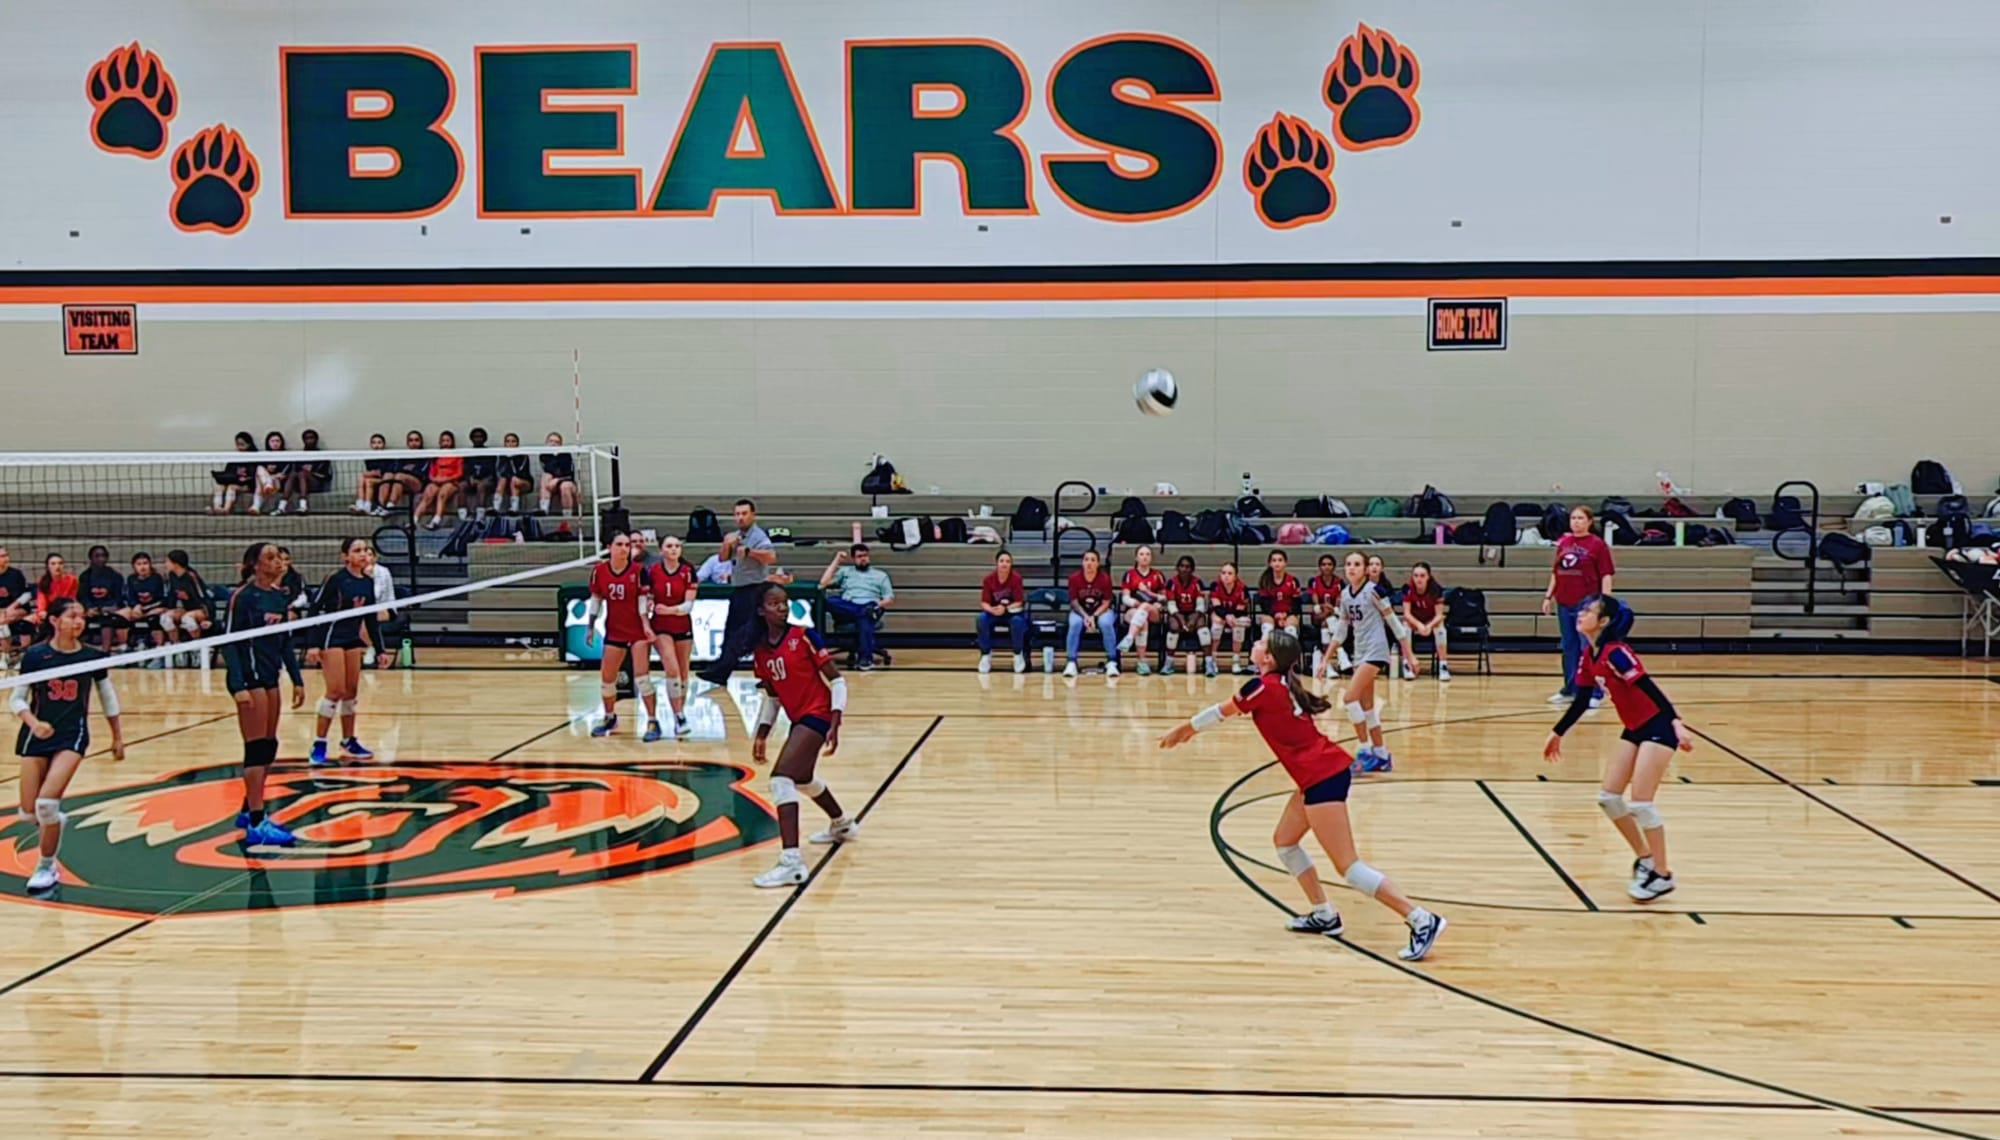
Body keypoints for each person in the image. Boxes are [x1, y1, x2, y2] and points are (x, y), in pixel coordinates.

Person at [1158, 629, 1445, 960]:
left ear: (1269, 658)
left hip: (1322, 776)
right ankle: (1324, 914)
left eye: (1261, 643)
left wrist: (1184, 729)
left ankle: (1421, 919)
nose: (1255, 643)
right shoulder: (1280, 684)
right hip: (1316, 774)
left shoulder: (1263, 687)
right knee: (1285, 842)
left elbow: (1221, 712)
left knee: (1348, 867)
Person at [1544, 594, 1689, 901]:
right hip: (1634, 728)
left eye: (1588, 611)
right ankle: (1646, 859)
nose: (1580, 613)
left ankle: (1662, 875)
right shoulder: (1590, 655)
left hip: (1658, 727)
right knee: (1609, 798)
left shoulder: (1617, 653)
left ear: (1604, 621)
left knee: (1641, 803)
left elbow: (1649, 688)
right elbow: (1582, 700)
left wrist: (1676, 721)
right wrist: (1558, 732)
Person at [10, 597, 125, 895]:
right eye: (72, 616)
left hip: (72, 735)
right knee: (28, 812)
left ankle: (46, 866)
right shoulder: (36, 656)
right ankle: (53, 824)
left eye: (82, 616)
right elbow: (16, 699)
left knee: (46, 805)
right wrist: (34, 723)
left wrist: (117, 737)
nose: (79, 622)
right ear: (54, 621)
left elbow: (108, 697)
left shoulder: (92, 656)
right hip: (36, 734)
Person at [747, 582, 855, 888]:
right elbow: (772, 697)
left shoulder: (804, 636)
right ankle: (841, 824)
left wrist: (836, 718)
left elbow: (837, 680)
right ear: (761, 610)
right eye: (774, 603)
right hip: (800, 718)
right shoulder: (761, 651)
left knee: (780, 780)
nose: (782, 607)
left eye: (785, 602)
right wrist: (762, 733)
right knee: (803, 779)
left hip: (818, 713)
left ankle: (791, 863)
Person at [222, 541, 307, 848]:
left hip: (271, 678)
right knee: (256, 749)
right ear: (256, 565)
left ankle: (248, 810)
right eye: (270, 557)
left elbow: (285, 642)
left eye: (279, 557)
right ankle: (257, 823)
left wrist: (297, 679)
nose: (278, 561)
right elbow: (229, 643)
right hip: (250, 679)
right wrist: (238, 686)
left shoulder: (279, 596)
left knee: (270, 746)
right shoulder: (243, 597)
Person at [1324, 551, 1417, 774]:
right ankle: (1382, 755)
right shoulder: (1345, 595)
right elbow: (1341, 630)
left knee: (1349, 698)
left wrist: (1410, 655)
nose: (1351, 568)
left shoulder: (1374, 591)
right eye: (1348, 564)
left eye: (1357, 564)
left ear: (1365, 569)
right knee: (1368, 708)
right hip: (1360, 650)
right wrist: (1325, 659)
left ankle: (1365, 751)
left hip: (1376, 650)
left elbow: (1394, 623)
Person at [305, 537, 382, 766]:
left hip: (352, 638)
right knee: (336, 690)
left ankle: (349, 740)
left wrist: (380, 649)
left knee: (351, 691)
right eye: (357, 550)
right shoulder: (335, 579)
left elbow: (371, 618)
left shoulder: (367, 582)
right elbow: (314, 609)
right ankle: (319, 742)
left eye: (365, 550)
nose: (363, 554)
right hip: (331, 637)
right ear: (345, 556)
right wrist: (313, 644)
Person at [583, 532, 662, 740]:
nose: (624, 548)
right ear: (609, 547)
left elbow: (642, 602)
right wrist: (590, 626)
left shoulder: (638, 571)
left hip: (637, 632)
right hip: (614, 630)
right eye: (619, 544)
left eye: (627, 545)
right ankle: (610, 717)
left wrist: (646, 625)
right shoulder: (599, 571)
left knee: (642, 679)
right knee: (607, 679)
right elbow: (596, 599)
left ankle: (653, 721)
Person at [695, 500, 779, 687]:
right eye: (737, 514)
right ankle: (723, 671)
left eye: (744, 513)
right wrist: (727, 544)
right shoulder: (736, 536)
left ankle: (726, 671)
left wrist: (749, 552)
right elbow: (722, 558)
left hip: (755, 589)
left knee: (746, 635)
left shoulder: (758, 536)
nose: (740, 517)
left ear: (753, 515)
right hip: (740, 589)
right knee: (738, 632)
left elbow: (771, 557)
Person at [1542, 505, 1615, 707]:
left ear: (1589, 521)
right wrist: (1548, 597)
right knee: (1569, 647)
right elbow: (1556, 573)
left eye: (1580, 518)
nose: (1576, 522)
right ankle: (1570, 689)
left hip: (1587, 604)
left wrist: (1605, 603)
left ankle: (1594, 693)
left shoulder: (1597, 545)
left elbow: (1606, 575)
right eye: (1573, 518)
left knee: (1588, 648)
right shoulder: (1564, 543)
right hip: (1564, 602)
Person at [645, 534, 698, 736]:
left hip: (683, 626)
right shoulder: (653, 571)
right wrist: (649, 602)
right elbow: (648, 595)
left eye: (677, 546)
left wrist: (669, 610)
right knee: (672, 668)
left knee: (683, 673)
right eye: (669, 546)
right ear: (661, 550)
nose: (674, 549)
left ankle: (679, 715)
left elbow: (688, 605)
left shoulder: (687, 571)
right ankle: (678, 715)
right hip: (661, 627)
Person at [819, 543, 895, 671]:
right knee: (829, 601)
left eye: (865, 556)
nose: (863, 559)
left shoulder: (880, 575)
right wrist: (837, 560)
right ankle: (866, 658)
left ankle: (865, 659)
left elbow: (889, 598)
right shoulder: (845, 572)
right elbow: (823, 583)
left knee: (866, 613)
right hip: (848, 606)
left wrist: (878, 605)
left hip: (870, 605)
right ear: (854, 559)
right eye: (859, 556)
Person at [1063, 549, 1118, 679]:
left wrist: (1095, 616)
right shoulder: (1074, 578)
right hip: (1080, 611)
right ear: (1082, 562)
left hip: (1101, 611)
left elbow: (1106, 602)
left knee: (1106, 623)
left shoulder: (1105, 579)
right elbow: (1074, 602)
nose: (1089, 563)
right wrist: (1085, 616)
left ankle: (1111, 661)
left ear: (1098, 563)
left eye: (1093, 560)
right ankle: (1071, 662)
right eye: (1086, 560)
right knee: (1075, 623)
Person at [1366, 553, 1420, 681]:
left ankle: (1405, 664)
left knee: (1398, 632)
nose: (1374, 567)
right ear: (1366, 568)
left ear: (1382, 568)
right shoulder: (1361, 585)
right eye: (1371, 564)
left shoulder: (1386, 585)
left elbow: (1389, 608)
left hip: (1384, 621)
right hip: (1365, 623)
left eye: (1377, 564)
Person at [976, 550, 1030, 675]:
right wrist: (992, 610)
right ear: (996, 564)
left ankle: (1017, 654)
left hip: (1012, 612)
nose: (1004, 564)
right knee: (981, 619)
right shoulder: (988, 580)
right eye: (1001, 561)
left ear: (1011, 564)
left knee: (1018, 622)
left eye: (1008, 561)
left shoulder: (1016, 579)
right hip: (994, 612)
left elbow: (1019, 602)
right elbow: (984, 603)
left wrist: (1005, 609)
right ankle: (985, 655)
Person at [1117, 545, 1166, 675]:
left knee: (1145, 607)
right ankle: (1142, 661)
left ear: (1151, 558)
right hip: (1134, 610)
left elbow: (1164, 597)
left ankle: (1129, 637)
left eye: (1147, 554)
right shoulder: (1130, 574)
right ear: (1136, 557)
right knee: (1142, 620)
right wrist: (1135, 603)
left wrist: (1149, 593)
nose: (1145, 557)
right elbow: (1125, 598)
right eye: (1141, 554)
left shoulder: (1157, 575)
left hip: (1153, 611)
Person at [1401, 561, 1452, 682]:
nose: (1418, 579)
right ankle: (1407, 664)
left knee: (1440, 628)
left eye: (1422, 576)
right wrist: (1419, 625)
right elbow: (1407, 614)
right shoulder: (1408, 588)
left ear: (1428, 576)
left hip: (1431, 620)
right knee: (1404, 627)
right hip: (1415, 620)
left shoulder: (1436, 589)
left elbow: (1439, 615)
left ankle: (1443, 666)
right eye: (1416, 575)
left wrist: (1428, 626)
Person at [160, 549, 212, 666]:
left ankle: (197, 650)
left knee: (187, 619)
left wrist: (209, 618)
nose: (165, 564)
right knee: (165, 618)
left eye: (167, 561)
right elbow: (172, 595)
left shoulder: (191, 576)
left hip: (201, 609)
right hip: (187, 609)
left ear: (176, 563)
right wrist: (169, 609)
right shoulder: (172, 575)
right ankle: (177, 649)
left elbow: (203, 596)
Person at [117, 553, 170, 660]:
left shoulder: (157, 578)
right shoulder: (131, 579)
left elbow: (162, 599)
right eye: (139, 564)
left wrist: (145, 610)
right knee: (118, 617)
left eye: (145, 563)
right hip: (137, 609)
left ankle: (159, 653)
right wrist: (136, 606)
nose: (142, 567)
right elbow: (129, 597)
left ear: (150, 565)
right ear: (134, 566)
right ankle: (123, 649)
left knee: (154, 618)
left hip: (154, 608)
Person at [1163, 555, 1208, 677]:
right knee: (1174, 626)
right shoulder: (1172, 582)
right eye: (1182, 566)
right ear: (1177, 568)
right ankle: (1169, 663)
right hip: (1177, 612)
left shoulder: (1197, 582)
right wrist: (1181, 621)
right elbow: (1171, 606)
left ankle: (1209, 663)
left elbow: (1200, 605)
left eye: (1188, 567)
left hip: (1194, 612)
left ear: (1192, 569)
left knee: (1202, 627)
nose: (1184, 569)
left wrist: (1193, 620)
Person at [76, 545, 126, 654]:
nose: (101, 559)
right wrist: (89, 608)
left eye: (103, 556)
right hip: (91, 611)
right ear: (91, 558)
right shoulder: (85, 576)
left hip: (109, 610)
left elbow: (118, 597)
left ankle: (105, 652)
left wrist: (106, 608)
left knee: (107, 618)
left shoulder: (115, 576)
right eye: (97, 556)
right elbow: (82, 596)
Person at [1208, 561, 1253, 675]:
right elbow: (1217, 607)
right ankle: (1213, 660)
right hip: (1220, 615)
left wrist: (1231, 618)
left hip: (1235, 616)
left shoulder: (1242, 588)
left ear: (1235, 576)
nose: (1226, 576)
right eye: (1223, 573)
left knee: (1239, 625)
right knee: (1217, 624)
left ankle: (1236, 661)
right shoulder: (1215, 586)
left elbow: (1241, 610)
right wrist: (1227, 616)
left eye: (1229, 573)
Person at [1306, 553, 1344, 679]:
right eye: (1323, 564)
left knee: (1327, 624)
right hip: (1319, 614)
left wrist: (1332, 609)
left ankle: (1327, 664)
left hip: (1333, 614)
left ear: (1334, 567)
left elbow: (1339, 599)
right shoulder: (1314, 581)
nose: (1326, 567)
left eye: (1329, 564)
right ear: (1319, 567)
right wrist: (1322, 607)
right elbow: (1315, 600)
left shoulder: (1339, 582)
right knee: (1326, 621)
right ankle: (1340, 653)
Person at [417, 429, 463, 530]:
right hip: (436, 481)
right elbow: (431, 473)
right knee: (428, 495)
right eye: (443, 441)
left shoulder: (457, 455)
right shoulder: (436, 456)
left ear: (452, 442)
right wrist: (435, 479)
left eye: (448, 441)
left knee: (442, 494)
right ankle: (414, 520)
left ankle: (436, 521)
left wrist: (446, 479)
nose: (445, 443)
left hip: (451, 482)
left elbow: (459, 473)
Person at [0, 547, 34, 671]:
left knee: (2, 620)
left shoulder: (16, 574)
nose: (6, 559)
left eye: (6, 555)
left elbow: (28, 594)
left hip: (19, 609)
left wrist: (12, 607)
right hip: (2, 611)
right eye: (2, 556)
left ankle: (9, 656)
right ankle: (6, 655)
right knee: (2, 621)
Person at [1256, 550, 1302, 642]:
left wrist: (1286, 615)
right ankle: (1265, 648)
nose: (1277, 563)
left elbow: (1296, 603)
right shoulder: (1265, 581)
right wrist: (1275, 615)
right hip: (1271, 614)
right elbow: (1264, 604)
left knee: (1291, 626)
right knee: (1267, 624)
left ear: (1285, 563)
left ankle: (1290, 650)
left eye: (1280, 560)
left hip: (1288, 614)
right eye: (1274, 560)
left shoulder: (1292, 581)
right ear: (1270, 563)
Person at [33, 554, 78, 642]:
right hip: (48, 612)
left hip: (66, 610)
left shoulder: (72, 580)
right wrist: (42, 611)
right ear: (48, 566)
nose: (57, 566)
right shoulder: (43, 581)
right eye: (53, 564)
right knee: (27, 622)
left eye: (60, 563)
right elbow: (41, 600)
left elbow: (71, 599)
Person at [383, 430, 429, 515]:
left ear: (421, 442)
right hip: (401, 483)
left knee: (400, 476)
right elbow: (396, 469)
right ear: (408, 443)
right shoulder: (404, 455)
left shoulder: (425, 456)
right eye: (411, 440)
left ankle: (391, 505)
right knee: (387, 475)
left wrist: (407, 471)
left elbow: (422, 473)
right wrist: (408, 470)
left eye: (416, 440)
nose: (414, 443)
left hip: (418, 484)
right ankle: (381, 507)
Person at [209, 432, 256, 514]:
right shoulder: (234, 458)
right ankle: (217, 508)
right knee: (219, 487)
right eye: (238, 444)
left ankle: (226, 509)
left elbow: (254, 476)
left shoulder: (254, 457)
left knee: (232, 487)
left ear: (249, 444)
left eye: (242, 444)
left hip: (248, 485)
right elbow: (228, 473)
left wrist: (245, 479)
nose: (239, 447)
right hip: (234, 481)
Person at [538, 432, 578, 516]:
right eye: (551, 441)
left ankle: (567, 515)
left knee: (565, 486)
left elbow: (569, 475)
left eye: (556, 442)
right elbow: (549, 470)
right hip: (552, 483)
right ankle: (544, 509)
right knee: (546, 477)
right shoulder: (544, 455)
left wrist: (557, 479)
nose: (553, 444)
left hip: (567, 482)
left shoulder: (566, 455)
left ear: (560, 444)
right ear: (546, 443)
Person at [354, 433, 395, 515]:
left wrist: (374, 473)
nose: (376, 445)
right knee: (362, 478)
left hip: (384, 480)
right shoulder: (369, 457)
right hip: (374, 478)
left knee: (368, 481)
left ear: (383, 444)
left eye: (379, 442)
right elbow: (372, 472)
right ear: (371, 444)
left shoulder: (388, 456)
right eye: (374, 443)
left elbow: (382, 473)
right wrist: (372, 473)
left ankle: (367, 506)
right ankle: (360, 505)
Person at [463, 427, 498, 520]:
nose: (478, 439)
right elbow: (465, 469)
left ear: (484, 438)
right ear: (471, 439)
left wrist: (482, 480)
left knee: (481, 486)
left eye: (480, 437)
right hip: (472, 480)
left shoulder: (490, 453)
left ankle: (480, 514)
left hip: (487, 481)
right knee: (461, 486)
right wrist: (470, 478)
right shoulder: (468, 453)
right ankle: (463, 515)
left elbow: (492, 472)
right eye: (475, 437)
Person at [252, 430, 290, 515]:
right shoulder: (264, 456)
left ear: (281, 442)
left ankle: (256, 506)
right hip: (266, 484)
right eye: (272, 441)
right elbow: (259, 472)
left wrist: (273, 476)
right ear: (268, 443)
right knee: (259, 469)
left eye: (277, 441)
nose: (275, 443)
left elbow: (283, 475)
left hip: (277, 483)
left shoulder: (286, 456)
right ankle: (267, 483)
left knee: (261, 480)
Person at [295, 428, 333, 510]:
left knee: (303, 473)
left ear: (316, 439)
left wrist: (311, 472)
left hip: (317, 483)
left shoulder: (323, 456)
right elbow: (295, 470)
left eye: (311, 438)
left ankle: (303, 505)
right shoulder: (299, 455)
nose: (309, 441)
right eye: (307, 438)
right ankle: (282, 505)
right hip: (298, 484)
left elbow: (327, 476)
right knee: (296, 474)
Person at [496, 433, 533, 515]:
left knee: (514, 480)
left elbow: (520, 472)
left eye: (513, 441)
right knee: (502, 480)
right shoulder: (502, 456)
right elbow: (501, 471)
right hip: (507, 482)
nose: (510, 444)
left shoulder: (523, 455)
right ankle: (496, 508)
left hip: (523, 481)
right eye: (508, 441)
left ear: (517, 443)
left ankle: (514, 508)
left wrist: (511, 459)